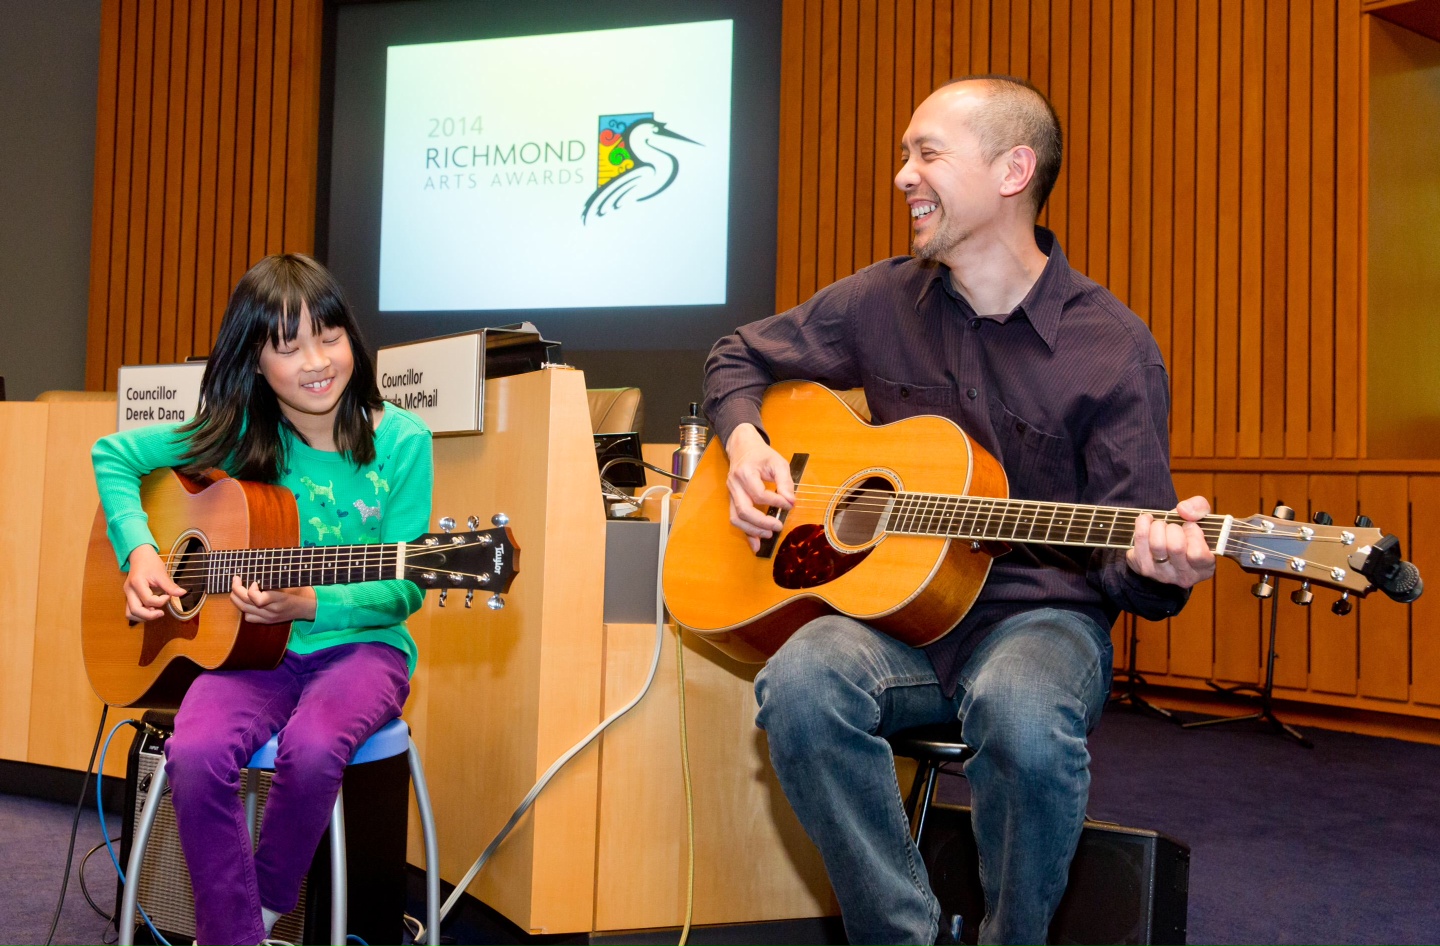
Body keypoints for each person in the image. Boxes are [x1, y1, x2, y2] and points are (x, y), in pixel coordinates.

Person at [703, 76, 1216, 946]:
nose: (903, 175)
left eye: (927, 153)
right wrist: (747, 444)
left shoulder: (1113, 349)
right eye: (906, 154)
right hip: (892, 621)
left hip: (1040, 618)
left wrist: (1161, 567)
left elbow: (1140, 570)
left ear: (1014, 169)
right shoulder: (879, 301)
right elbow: (735, 356)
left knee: (1020, 712)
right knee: (798, 683)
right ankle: (901, 935)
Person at [91, 254, 433, 946]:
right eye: (288, 345)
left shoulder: (401, 442)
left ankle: (267, 909)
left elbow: (406, 586)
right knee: (194, 751)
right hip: (251, 655)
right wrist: (142, 552)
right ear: (254, 360)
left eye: (329, 336)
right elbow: (113, 454)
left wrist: (309, 604)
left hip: (361, 651)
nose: (316, 361)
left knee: (311, 748)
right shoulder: (236, 433)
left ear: (353, 341)